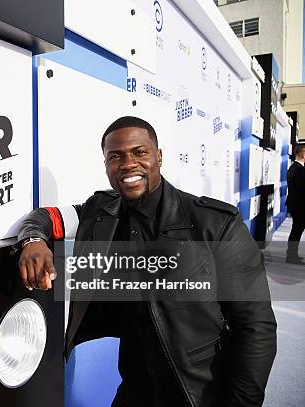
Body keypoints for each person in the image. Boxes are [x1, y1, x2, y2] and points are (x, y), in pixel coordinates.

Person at [15, 116, 277, 407]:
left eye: (139, 152)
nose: (128, 164)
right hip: (134, 392)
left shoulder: (214, 224)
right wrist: (33, 241)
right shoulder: (101, 212)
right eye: (116, 156)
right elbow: (43, 217)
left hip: (198, 396)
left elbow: (256, 328)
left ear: (159, 157)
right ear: (106, 165)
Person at [285, 144, 305, 265]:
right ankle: (291, 256)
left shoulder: (295, 167)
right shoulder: (299, 169)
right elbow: (301, 190)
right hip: (300, 206)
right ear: (303, 154)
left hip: (297, 205)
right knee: (296, 230)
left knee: (296, 230)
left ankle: (292, 255)